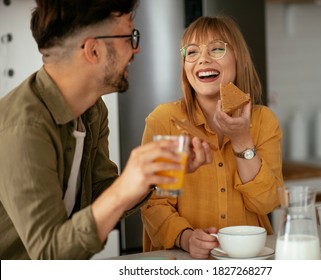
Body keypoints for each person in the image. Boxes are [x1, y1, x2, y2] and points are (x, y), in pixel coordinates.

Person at [0, 0, 211, 260]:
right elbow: (48, 256)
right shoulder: (24, 127)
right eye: (130, 37)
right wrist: (125, 187)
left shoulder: (92, 110)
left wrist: (152, 173)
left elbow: (101, 192)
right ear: (94, 50)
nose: (137, 49)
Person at [141, 15, 283, 259]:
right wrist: (185, 237)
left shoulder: (263, 121)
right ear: (185, 66)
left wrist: (241, 139)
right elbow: (155, 202)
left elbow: (266, 203)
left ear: (241, 59)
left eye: (217, 49)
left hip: (248, 261)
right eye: (192, 52)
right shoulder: (166, 120)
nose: (203, 59)